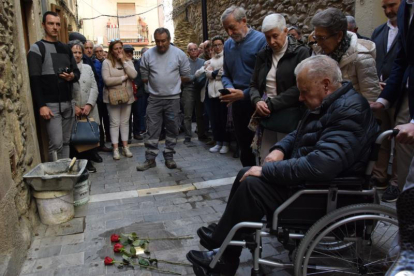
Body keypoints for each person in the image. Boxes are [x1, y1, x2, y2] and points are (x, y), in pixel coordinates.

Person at [186, 55, 379, 275]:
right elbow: (301, 131)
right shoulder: (331, 102)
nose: (300, 98)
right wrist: (280, 148)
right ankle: (225, 238)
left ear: (326, 84)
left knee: (252, 185)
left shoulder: (349, 110)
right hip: (315, 185)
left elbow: (321, 165)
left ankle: (224, 255)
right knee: (245, 173)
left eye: (304, 91)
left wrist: (267, 170)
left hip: (325, 193)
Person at [250, 14, 310, 164]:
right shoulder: (263, 54)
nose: (271, 41)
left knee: (286, 160)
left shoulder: (301, 52)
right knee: (266, 159)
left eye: (275, 36)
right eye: (267, 37)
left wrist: (271, 104)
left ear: (285, 31)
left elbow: (299, 88)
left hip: (290, 116)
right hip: (267, 115)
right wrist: (257, 101)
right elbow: (253, 85)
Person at [370, 0, 414, 202]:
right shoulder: (406, 8)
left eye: (392, 5)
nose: (389, 11)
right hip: (397, 91)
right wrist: (383, 99)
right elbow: (402, 60)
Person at [27, 11, 80, 160]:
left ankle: (66, 175)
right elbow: (34, 79)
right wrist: (41, 105)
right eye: (51, 23)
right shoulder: (37, 48)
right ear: (43, 25)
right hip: (51, 105)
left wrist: (72, 76)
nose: (55, 27)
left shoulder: (65, 48)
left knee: (66, 142)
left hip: (68, 103)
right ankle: (57, 178)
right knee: (56, 144)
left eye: (57, 24)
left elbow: (76, 73)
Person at [137, 28, 191, 171]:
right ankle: (150, 159)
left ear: (169, 39)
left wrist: (172, 83)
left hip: (173, 99)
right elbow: (144, 76)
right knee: (152, 129)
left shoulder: (179, 54)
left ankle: (169, 157)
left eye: (164, 41)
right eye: (158, 41)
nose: (160, 44)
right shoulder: (147, 55)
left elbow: (186, 76)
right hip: (154, 99)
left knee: (172, 128)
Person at [219, 5, 267, 167]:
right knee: (244, 148)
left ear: (244, 21)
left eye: (232, 28)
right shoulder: (227, 45)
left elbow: (264, 79)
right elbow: (225, 74)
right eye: (226, 30)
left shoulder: (261, 40)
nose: (229, 33)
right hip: (238, 105)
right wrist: (230, 88)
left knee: (262, 148)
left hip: (258, 103)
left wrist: (244, 94)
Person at [311, 8, 381, 104]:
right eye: (316, 38)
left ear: (339, 36)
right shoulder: (319, 53)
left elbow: (371, 99)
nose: (318, 43)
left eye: (322, 38)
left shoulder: (362, 58)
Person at [369, 0, 401, 192]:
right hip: (378, 92)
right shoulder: (378, 31)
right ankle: (379, 176)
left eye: (392, 5)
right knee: (380, 135)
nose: (388, 11)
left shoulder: (408, 29)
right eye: (384, 7)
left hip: (402, 94)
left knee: (399, 138)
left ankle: (396, 182)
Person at [102, 40, 137, 160]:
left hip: (127, 96)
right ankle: (116, 148)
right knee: (114, 123)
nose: (118, 51)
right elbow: (107, 80)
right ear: (112, 50)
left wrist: (123, 62)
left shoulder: (128, 61)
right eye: (116, 48)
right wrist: (123, 78)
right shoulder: (106, 63)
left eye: (120, 48)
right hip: (112, 97)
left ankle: (125, 147)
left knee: (125, 122)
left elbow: (134, 75)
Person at [69, 41, 100, 173]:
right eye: (74, 52)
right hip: (74, 108)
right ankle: (77, 162)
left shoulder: (87, 68)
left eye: (79, 52)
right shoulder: (66, 68)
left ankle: (88, 161)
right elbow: (65, 90)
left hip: (89, 108)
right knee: (76, 136)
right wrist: (74, 106)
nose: (77, 55)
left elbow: (94, 87)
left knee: (88, 135)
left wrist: (89, 105)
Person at [201, 36, 231, 154]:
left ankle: (226, 143)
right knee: (215, 120)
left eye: (219, 44)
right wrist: (212, 72)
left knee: (224, 119)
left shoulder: (226, 57)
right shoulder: (212, 60)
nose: (217, 47)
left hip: (222, 92)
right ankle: (218, 142)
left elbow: (222, 73)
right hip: (211, 93)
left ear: (223, 45)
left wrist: (212, 73)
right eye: (215, 45)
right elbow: (206, 73)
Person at [181, 43, 206, 147]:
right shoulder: (184, 63)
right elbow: (183, 78)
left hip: (200, 89)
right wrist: (195, 76)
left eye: (195, 49)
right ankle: (187, 136)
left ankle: (201, 134)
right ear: (188, 52)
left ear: (198, 51)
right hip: (188, 89)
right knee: (188, 114)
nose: (194, 51)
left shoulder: (203, 62)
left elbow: (205, 75)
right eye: (191, 49)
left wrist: (191, 77)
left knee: (200, 114)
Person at [93, 44, 112, 152]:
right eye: (97, 51)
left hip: (107, 95)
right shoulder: (94, 63)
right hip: (98, 96)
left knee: (108, 118)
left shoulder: (106, 62)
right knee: (99, 119)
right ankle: (101, 142)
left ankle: (109, 136)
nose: (99, 53)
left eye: (101, 51)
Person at [133, 47, 150, 140]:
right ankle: (141, 129)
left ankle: (146, 128)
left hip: (149, 91)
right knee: (140, 112)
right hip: (141, 91)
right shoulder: (138, 63)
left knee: (148, 111)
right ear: (142, 54)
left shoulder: (151, 63)